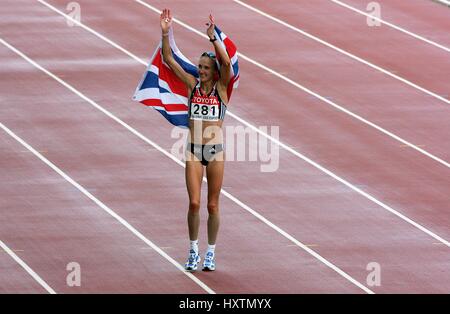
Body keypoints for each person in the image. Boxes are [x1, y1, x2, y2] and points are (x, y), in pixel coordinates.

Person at [160, 9, 232, 271]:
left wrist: (214, 39)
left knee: (213, 205)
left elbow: (226, 65)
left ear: (212, 72)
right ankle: (193, 250)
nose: (200, 70)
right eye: (199, 66)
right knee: (194, 202)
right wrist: (166, 32)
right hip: (193, 149)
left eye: (204, 68)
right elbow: (168, 59)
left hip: (215, 152)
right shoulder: (191, 86)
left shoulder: (221, 90)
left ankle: (210, 253)